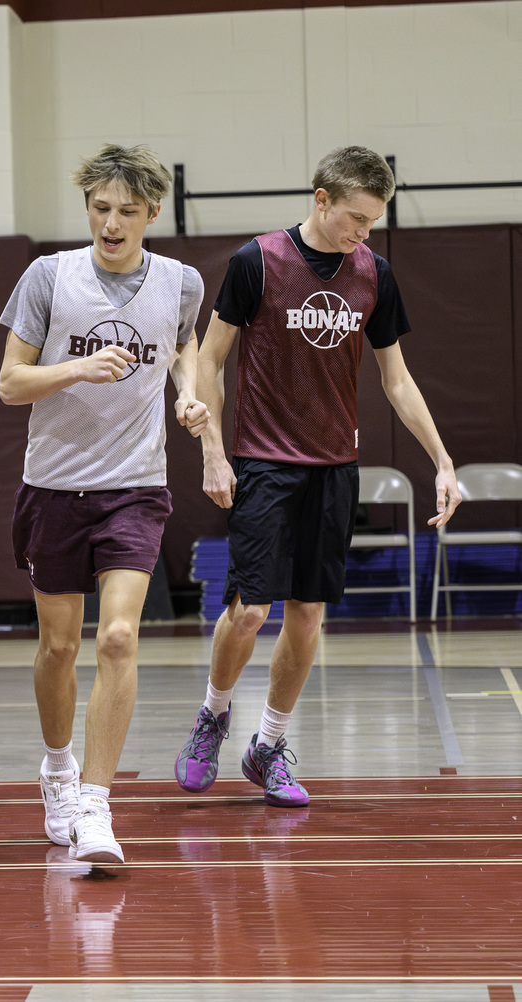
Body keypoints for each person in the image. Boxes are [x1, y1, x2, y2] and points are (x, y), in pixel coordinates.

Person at [174, 146, 461, 807]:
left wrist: (442, 461)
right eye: (354, 218)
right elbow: (209, 362)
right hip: (264, 462)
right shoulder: (258, 262)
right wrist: (213, 453)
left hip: (335, 466)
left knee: (306, 616)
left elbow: (397, 378)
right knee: (248, 612)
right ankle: (213, 717)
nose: (362, 233)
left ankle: (268, 745)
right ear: (322, 199)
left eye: (373, 222)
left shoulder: (374, 274)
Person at [0, 144, 208, 864]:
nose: (111, 223)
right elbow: (9, 383)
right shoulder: (48, 277)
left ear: (153, 213)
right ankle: (57, 770)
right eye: (100, 208)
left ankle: (95, 803)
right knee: (59, 646)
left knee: (117, 637)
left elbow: (183, 349)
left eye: (126, 211)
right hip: (54, 486)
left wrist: (188, 392)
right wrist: (78, 367)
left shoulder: (181, 283)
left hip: (135, 487)